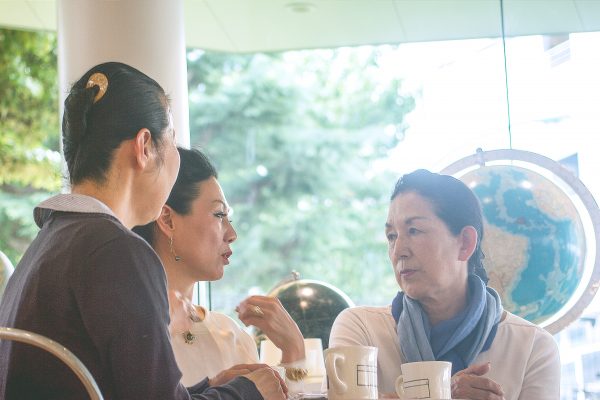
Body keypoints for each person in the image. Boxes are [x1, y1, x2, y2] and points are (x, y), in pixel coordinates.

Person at [0, 62, 284, 400]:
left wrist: (210, 388)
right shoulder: (116, 252)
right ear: (145, 146)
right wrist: (250, 393)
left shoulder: (49, 242)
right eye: (173, 141)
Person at [329, 169, 560, 400]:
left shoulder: (533, 347)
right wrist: (442, 394)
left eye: (414, 230)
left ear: (465, 243)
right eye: (391, 236)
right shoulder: (361, 328)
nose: (398, 251)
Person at [133, 147, 307, 389]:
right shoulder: (132, 333)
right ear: (168, 220)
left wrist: (293, 351)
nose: (232, 234)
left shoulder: (231, 337)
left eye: (229, 218)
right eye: (218, 215)